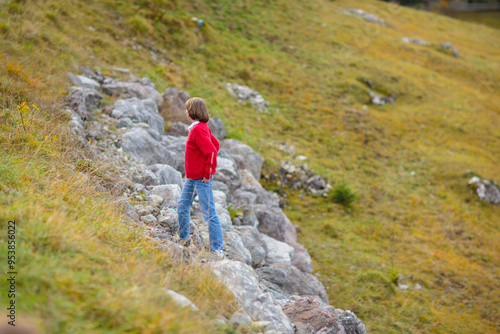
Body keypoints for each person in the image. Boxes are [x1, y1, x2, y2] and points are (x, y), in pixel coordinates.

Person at [176, 97, 224, 258]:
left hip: (201, 179)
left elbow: (211, 150)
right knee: (182, 208)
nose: (186, 112)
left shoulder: (198, 130)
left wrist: (207, 173)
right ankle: (184, 238)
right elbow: (216, 144)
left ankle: (218, 249)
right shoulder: (200, 128)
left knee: (209, 213)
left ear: (192, 112)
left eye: (187, 109)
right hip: (192, 178)